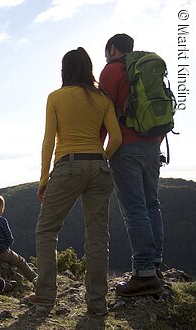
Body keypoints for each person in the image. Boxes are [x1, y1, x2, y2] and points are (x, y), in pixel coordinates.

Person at [29, 47, 122, 316]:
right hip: (98, 166)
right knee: (97, 237)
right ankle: (97, 303)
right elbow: (115, 138)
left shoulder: (56, 97)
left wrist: (44, 178)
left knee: (47, 230)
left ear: (64, 70)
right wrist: (99, 158)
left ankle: (46, 294)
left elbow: (49, 141)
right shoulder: (102, 97)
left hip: (67, 166)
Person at [99, 33, 164, 297]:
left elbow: (103, 114)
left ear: (112, 49)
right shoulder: (145, 67)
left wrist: (98, 150)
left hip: (126, 147)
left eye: (106, 52)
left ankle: (144, 273)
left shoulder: (112, 70)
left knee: (134, 209)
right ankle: (155, 265)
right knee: (152, 204)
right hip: (154, 144)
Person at [0, 192, 37, 282]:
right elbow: (9, 240)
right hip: (0, 253)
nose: (3, 210)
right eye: (2, 208)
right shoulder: (1, 221)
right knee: (21, 262)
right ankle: (36, 279)